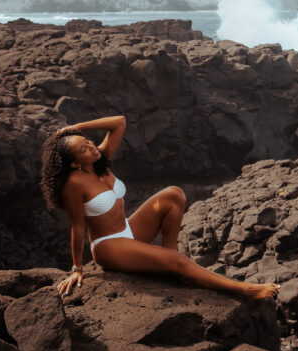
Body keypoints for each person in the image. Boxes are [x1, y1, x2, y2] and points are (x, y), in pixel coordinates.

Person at [41, 114, 280, 301]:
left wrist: (76, 128)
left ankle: (170, 263)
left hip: (128, 231)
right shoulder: (75, 183)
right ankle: (246, 290)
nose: (91, 147)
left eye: (88, 142)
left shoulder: (100, 160)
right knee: (176, 260)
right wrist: (77, 269)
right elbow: (77, 226)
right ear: (73, 163)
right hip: (108, 246)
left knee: (173, 194)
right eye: (83, 149)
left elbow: (119, 123)